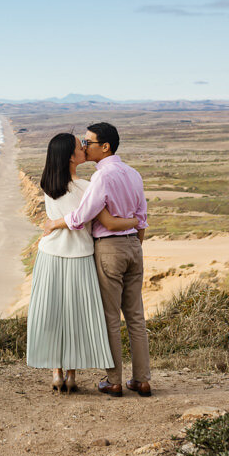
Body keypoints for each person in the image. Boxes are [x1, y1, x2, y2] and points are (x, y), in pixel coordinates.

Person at [42, 122, 151, 398]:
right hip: (134, 248)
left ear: (105, 147)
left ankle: (114, 381)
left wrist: (55, 223)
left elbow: (81, 217)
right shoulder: (134, 174)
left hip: (109, 250)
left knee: (111, 318)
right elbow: (142, 218)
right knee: (136, 317)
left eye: (88, 142)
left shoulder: (100, 179)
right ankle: (142, 380)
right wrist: (133, 240)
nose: (84, 147)